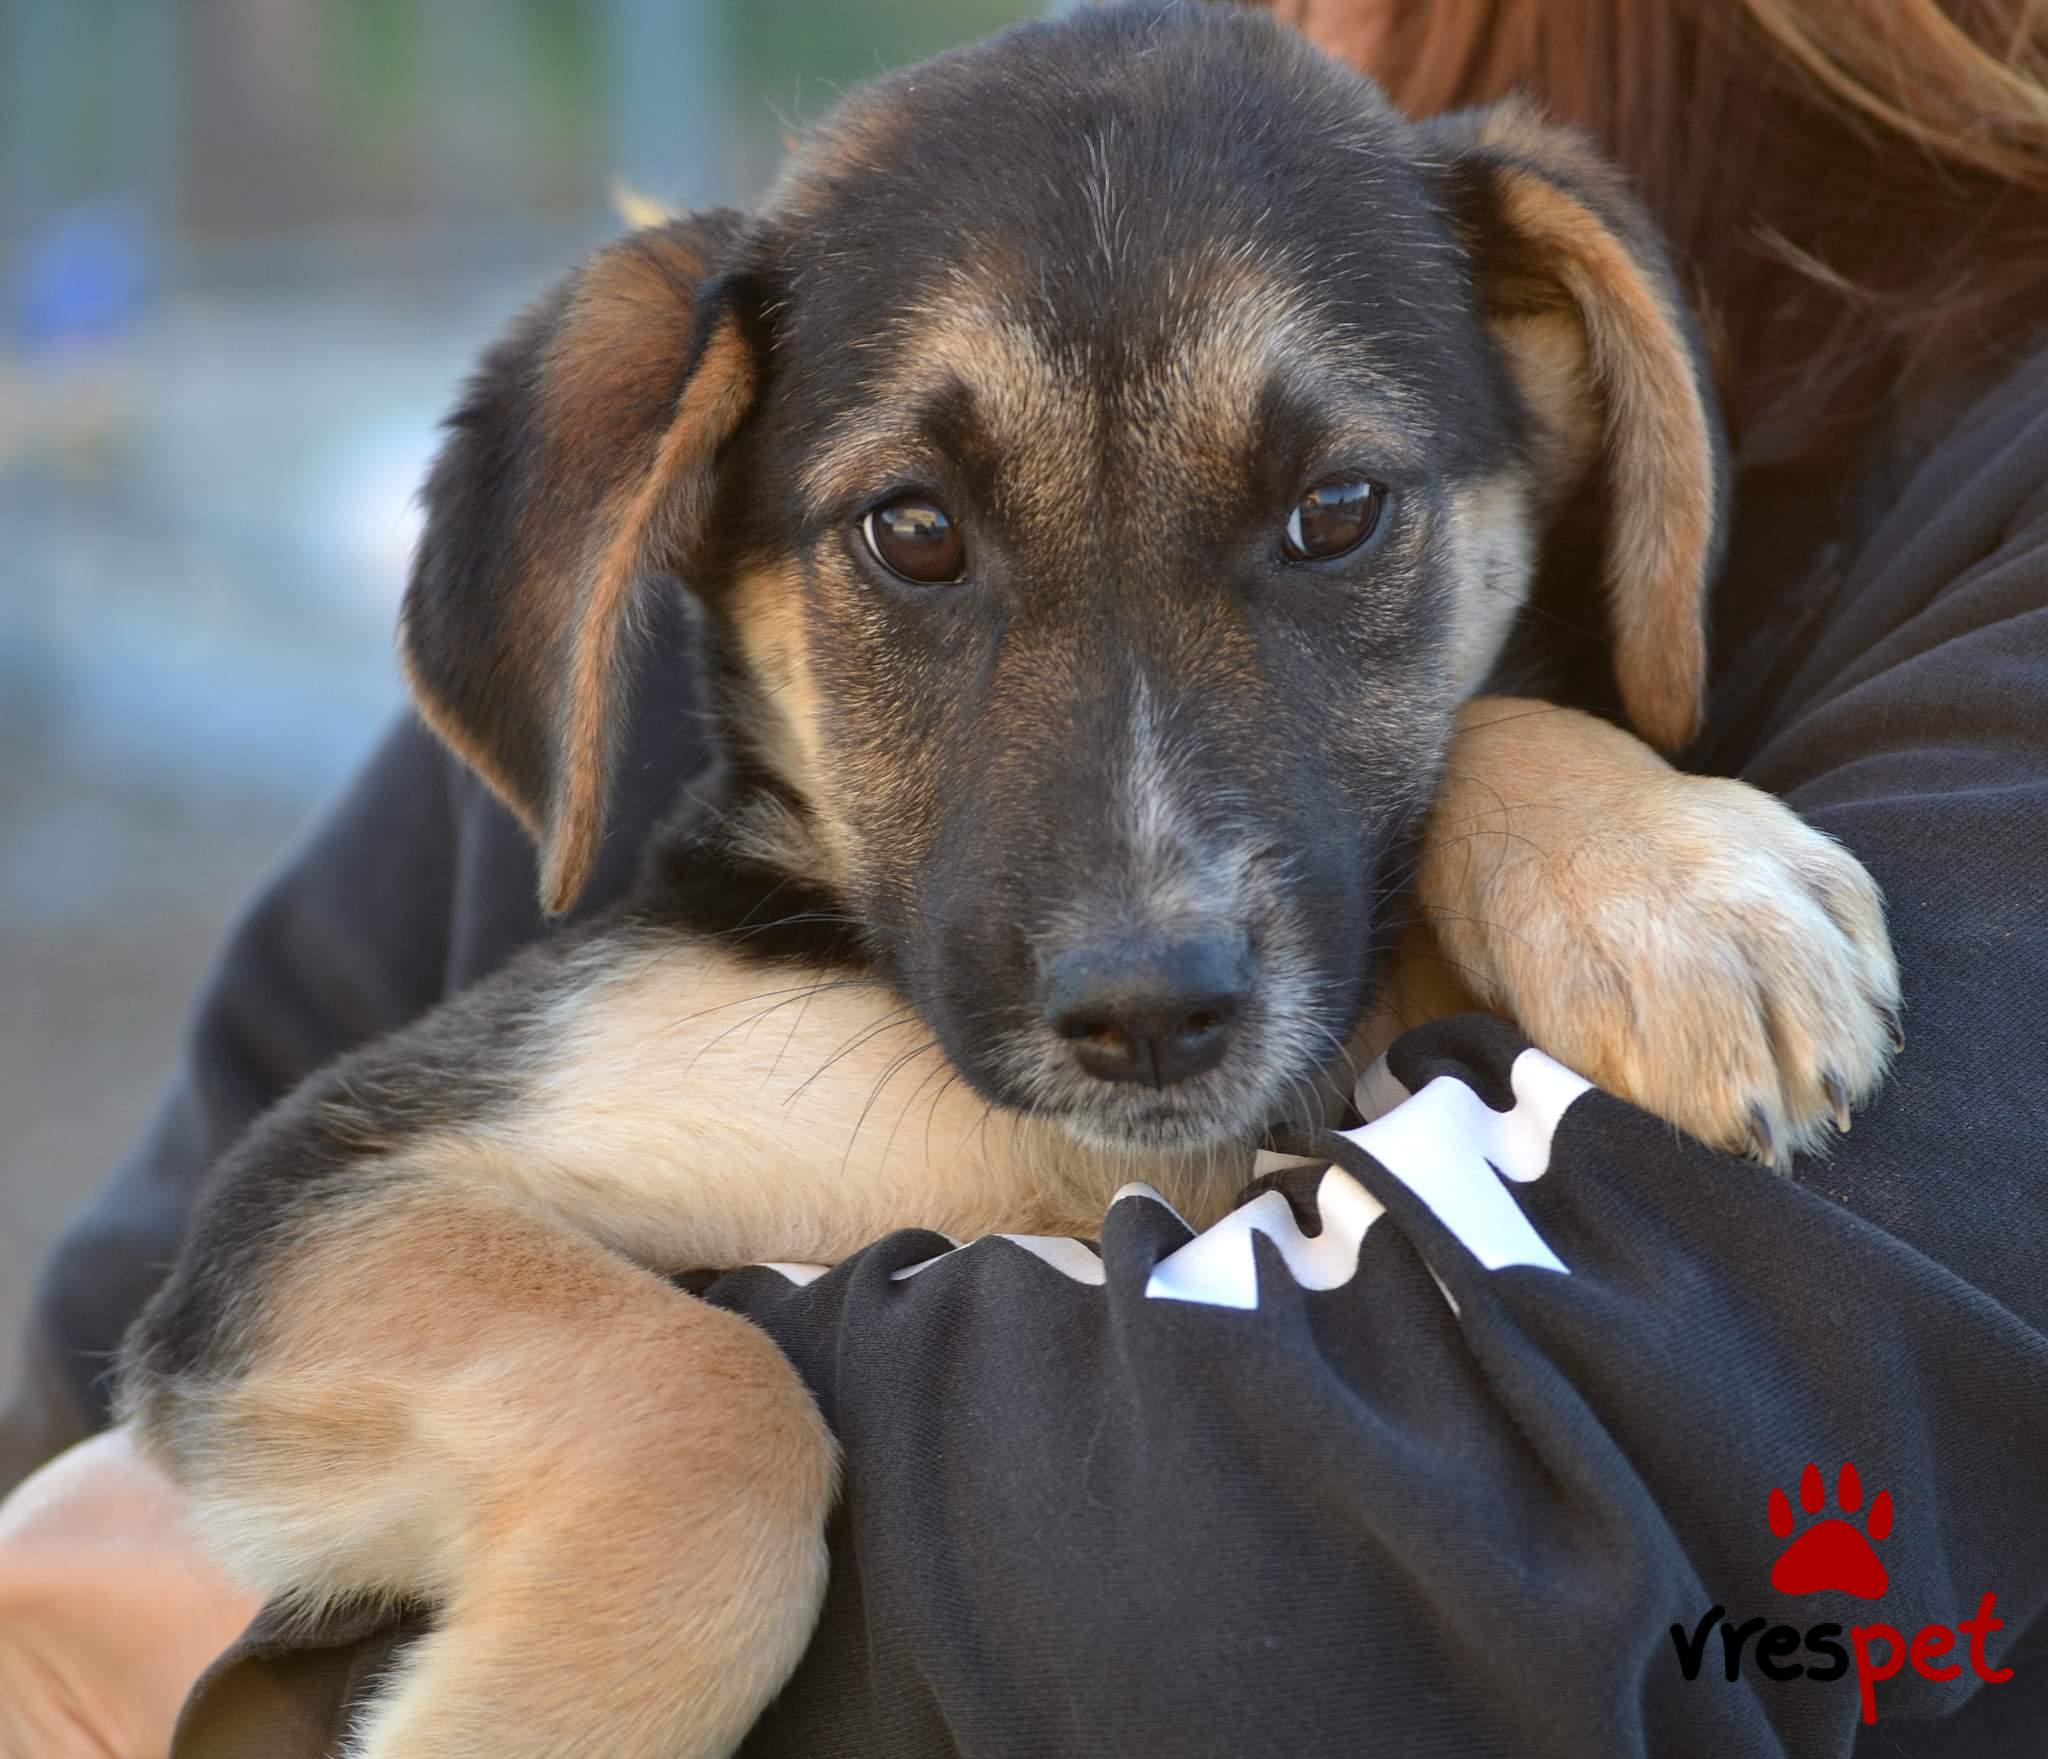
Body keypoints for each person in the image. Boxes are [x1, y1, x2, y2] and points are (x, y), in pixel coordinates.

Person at [5, 0, 2047, 1752]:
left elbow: (1548, 1536)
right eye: (916, 541)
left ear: (1586, 408)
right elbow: (194, 1323)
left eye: (1333, 518)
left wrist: (1537, 784)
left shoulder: (1926, 504)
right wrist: (663, 1478)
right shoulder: (867, 296)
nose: (1146, 918)